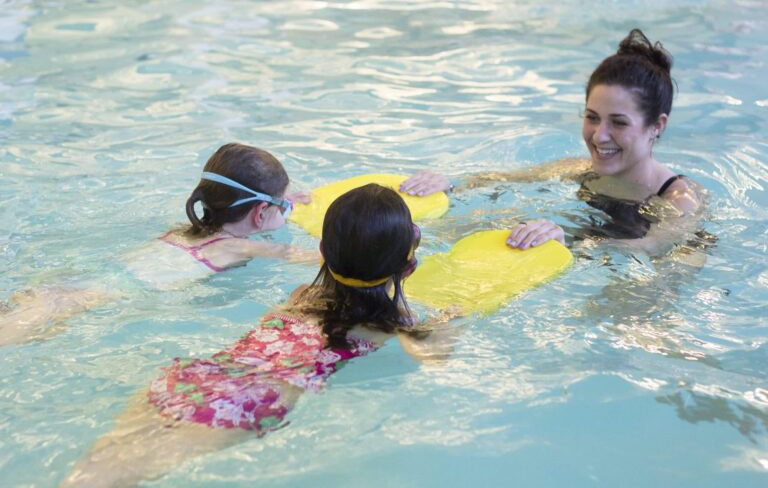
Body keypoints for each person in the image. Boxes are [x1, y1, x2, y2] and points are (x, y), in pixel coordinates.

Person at [62, 184, 449, 487]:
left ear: (322, 252)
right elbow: (433, 358)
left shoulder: (302, 294)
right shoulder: (395, 325)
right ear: (408, 268)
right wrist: (450, 320)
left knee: (92, 471)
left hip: (196, 376)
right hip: (248, 404)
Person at [399, 29, 703, 255]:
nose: (600, 136)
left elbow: (655, 246)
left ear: (656, 126)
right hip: (587, 246)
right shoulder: (582, 169)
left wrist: (570, 243)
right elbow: (501, 180)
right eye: (592, 117)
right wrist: (449, 185)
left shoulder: (680, 200)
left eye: (619, 122)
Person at [0, 142, 315, 346]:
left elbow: (256, 207)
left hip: (74, 280)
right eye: (283, 207)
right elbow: (306, 256)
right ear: (260, 213)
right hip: (88, 299)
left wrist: (284, 201)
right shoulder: (237, 247)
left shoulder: (188, 229)